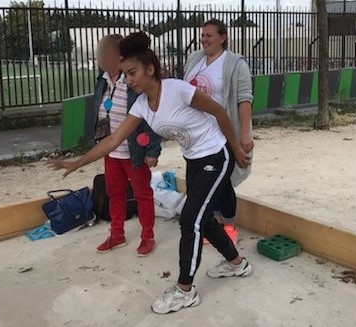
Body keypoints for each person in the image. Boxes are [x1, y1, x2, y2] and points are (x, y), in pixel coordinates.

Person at [48, 32, 253, 314]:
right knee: (202, 221)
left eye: (132, 73)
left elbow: (219, 112)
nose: (129, 79)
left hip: (217, 156)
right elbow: (112, 140)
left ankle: (185, 290)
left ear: (150, 69)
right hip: (194, 160)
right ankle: (237, 263)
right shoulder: (142, 105)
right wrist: (76, 163)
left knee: (190, 221)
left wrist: (237, 148)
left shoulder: (178, 90)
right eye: (125, 74)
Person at [89, 34, 161, 257]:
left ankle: (147, 237)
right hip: (111, 151)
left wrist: (152, 151)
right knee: (115, 192)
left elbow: (152, 116)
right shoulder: (102, 80)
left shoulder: (132, 80)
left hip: (135, 151)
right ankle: (116, 234)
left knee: (142, 194)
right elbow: (100, 111)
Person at [184, 19, 254, 245]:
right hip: (198, 135)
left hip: (224, 133)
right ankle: (210, 224)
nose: (204, 39)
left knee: (223, 181)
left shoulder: (235, 64)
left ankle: (230, 225)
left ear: (223, 37)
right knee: (203, 181)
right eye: (202, 35)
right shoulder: (194, 59)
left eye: (209, 35)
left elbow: (244, 99)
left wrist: (244, 134)